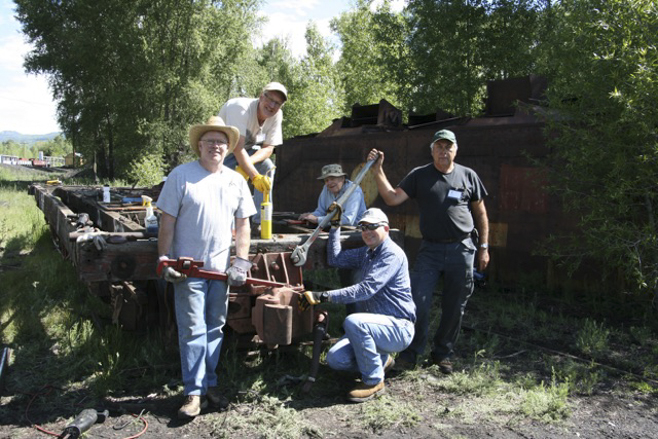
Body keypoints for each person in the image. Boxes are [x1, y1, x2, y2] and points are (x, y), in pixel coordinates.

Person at [157, 116, 257, 419]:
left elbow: (243, 224)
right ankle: (193, 392)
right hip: (188, 270)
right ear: (199, 145)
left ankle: (209, 384)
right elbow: (167, 222)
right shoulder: (181, 176)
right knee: (192, 330)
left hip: (220, 272)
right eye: (210, 141)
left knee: (215, 328)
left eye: (221, 142)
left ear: (228, 148)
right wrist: (164, 259)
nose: (216, 146)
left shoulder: (236, 180)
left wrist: (240, 260)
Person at [367, 129, 490, 374]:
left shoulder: (468, 176)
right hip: (431, 249)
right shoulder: (419, 176)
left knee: (455, 305)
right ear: (432, 150)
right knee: (417, 302)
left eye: (448, 147)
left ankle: (442, 354)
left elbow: (481, 214)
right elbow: (392, 198)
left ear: (455, 150)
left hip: (462, 248)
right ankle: (411, 354)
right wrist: (377, 170)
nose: (444, 151)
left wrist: (484, 248)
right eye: (439, 147)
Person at [298, 208, 416, 402]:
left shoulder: (391, 254)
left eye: (372, 227)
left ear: (386, 228)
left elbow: (366, 290)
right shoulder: (367, 253)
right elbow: (335, 259)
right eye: (363, 227)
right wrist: (335, 226)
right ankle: (381, 361)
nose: (367, 231)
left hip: (398, 328)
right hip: (376, 327)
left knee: (354, 322)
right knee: (335, 359)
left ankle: (373, 381)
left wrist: (323, 296)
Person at [219, 82, 287, 226]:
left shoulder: (276, 115)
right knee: (229, 187)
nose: (272, 106)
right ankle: (226, 224)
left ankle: (261, 222)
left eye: (277, 103)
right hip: (220, 155)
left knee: (268, 167)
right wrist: (254, 176)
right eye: (270, 100)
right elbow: (237, 148)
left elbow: (268, 148)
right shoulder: (240, 108)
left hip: (244, 154)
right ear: (261, 97)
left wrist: (247, 165)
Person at [298, 163, 367, 227]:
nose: (329, 182)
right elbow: (321, 211)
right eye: (326, 180)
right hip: (334, 228)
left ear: (342, 178)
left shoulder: (353, 190)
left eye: (332, 178)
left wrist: (317, 219)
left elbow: (348, 220)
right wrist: (310, 215)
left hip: (357, 230)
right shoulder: (326, 188)